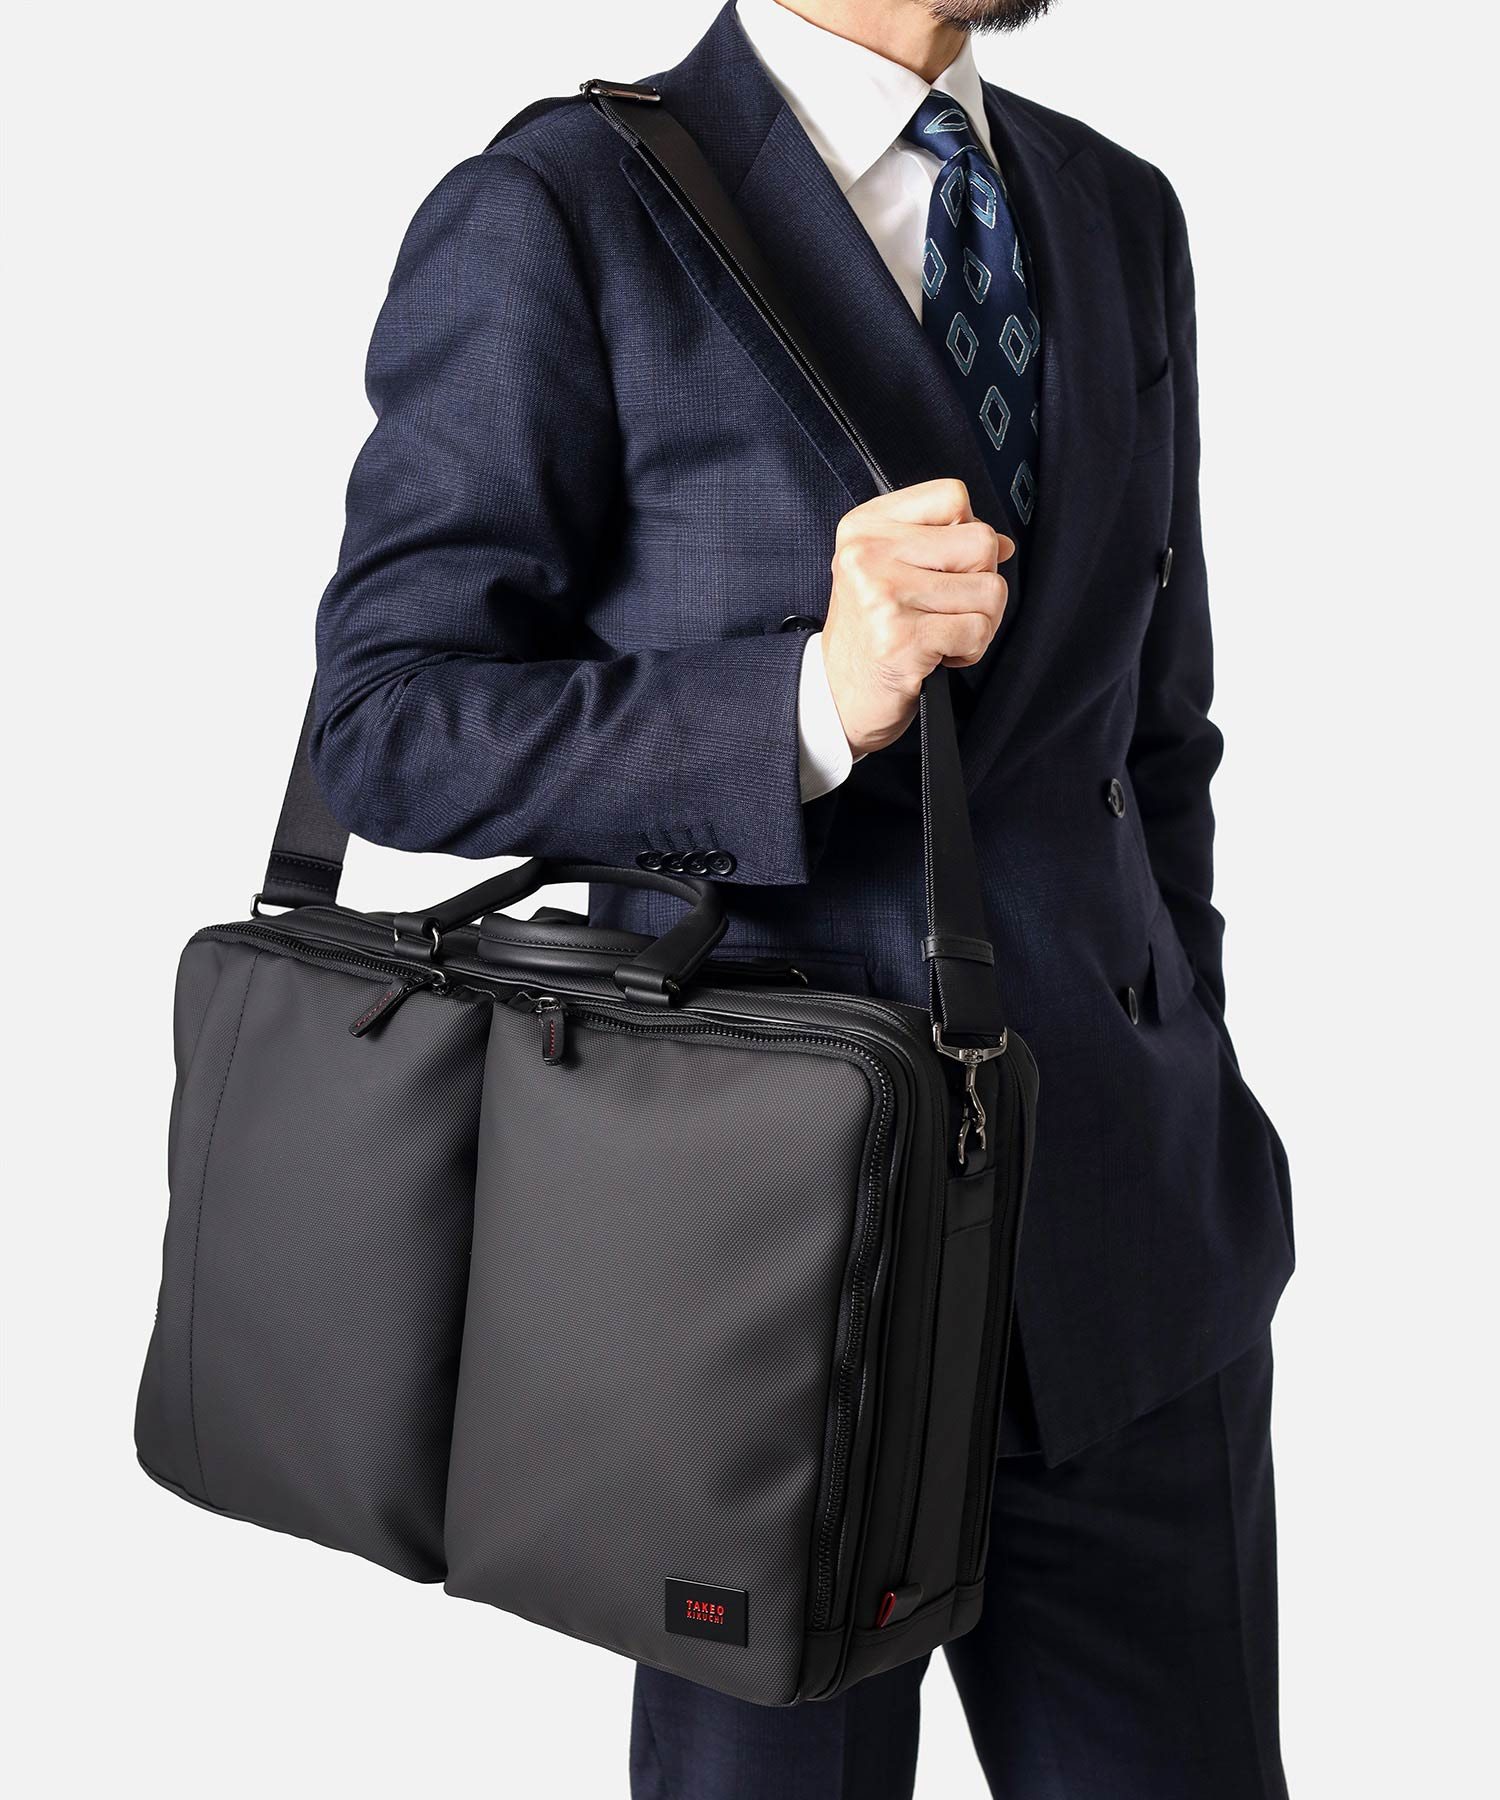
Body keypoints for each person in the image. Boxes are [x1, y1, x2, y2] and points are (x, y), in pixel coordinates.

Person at [311, 0, 1294, 1792]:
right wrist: (805, 704)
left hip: (1134, 1261)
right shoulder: (563, 204)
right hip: (762, 1294)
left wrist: (1187, 1046)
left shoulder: (1114, 209)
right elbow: (390, 725)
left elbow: (1158, 738)